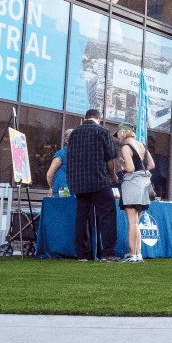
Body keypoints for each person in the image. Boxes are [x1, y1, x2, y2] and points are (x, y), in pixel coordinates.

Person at [67, 109, 119, 262]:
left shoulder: (74, 133)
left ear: (84, 118)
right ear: (99, 119)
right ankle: (108, 253)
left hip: (79, 183)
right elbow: (110, 158)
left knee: (81, 217)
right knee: (107, 216)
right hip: (99, 180)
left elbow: (70, 158)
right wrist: (112, 175)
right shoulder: (102, 131)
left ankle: (82, 255)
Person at [114, 124, 155, 263]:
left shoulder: (126, 147)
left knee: (132, 221)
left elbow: (130, 168)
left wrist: (122, 164)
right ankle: (138, 254)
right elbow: (151, 165)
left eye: (118, 133)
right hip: (143, 185)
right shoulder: (142, 145)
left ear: (124, 132)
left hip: (132, 184)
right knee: (136, 221)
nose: (117, 137)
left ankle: (133, 254)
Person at [46, 127, 74, 197]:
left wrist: (51, 187)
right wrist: (51, 188)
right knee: (67, 205)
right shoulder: (62, 154)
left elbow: (50, 174)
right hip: (65, 189)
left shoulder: (62, 154)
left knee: (64, 206)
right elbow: (50, 174)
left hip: (67, 189)